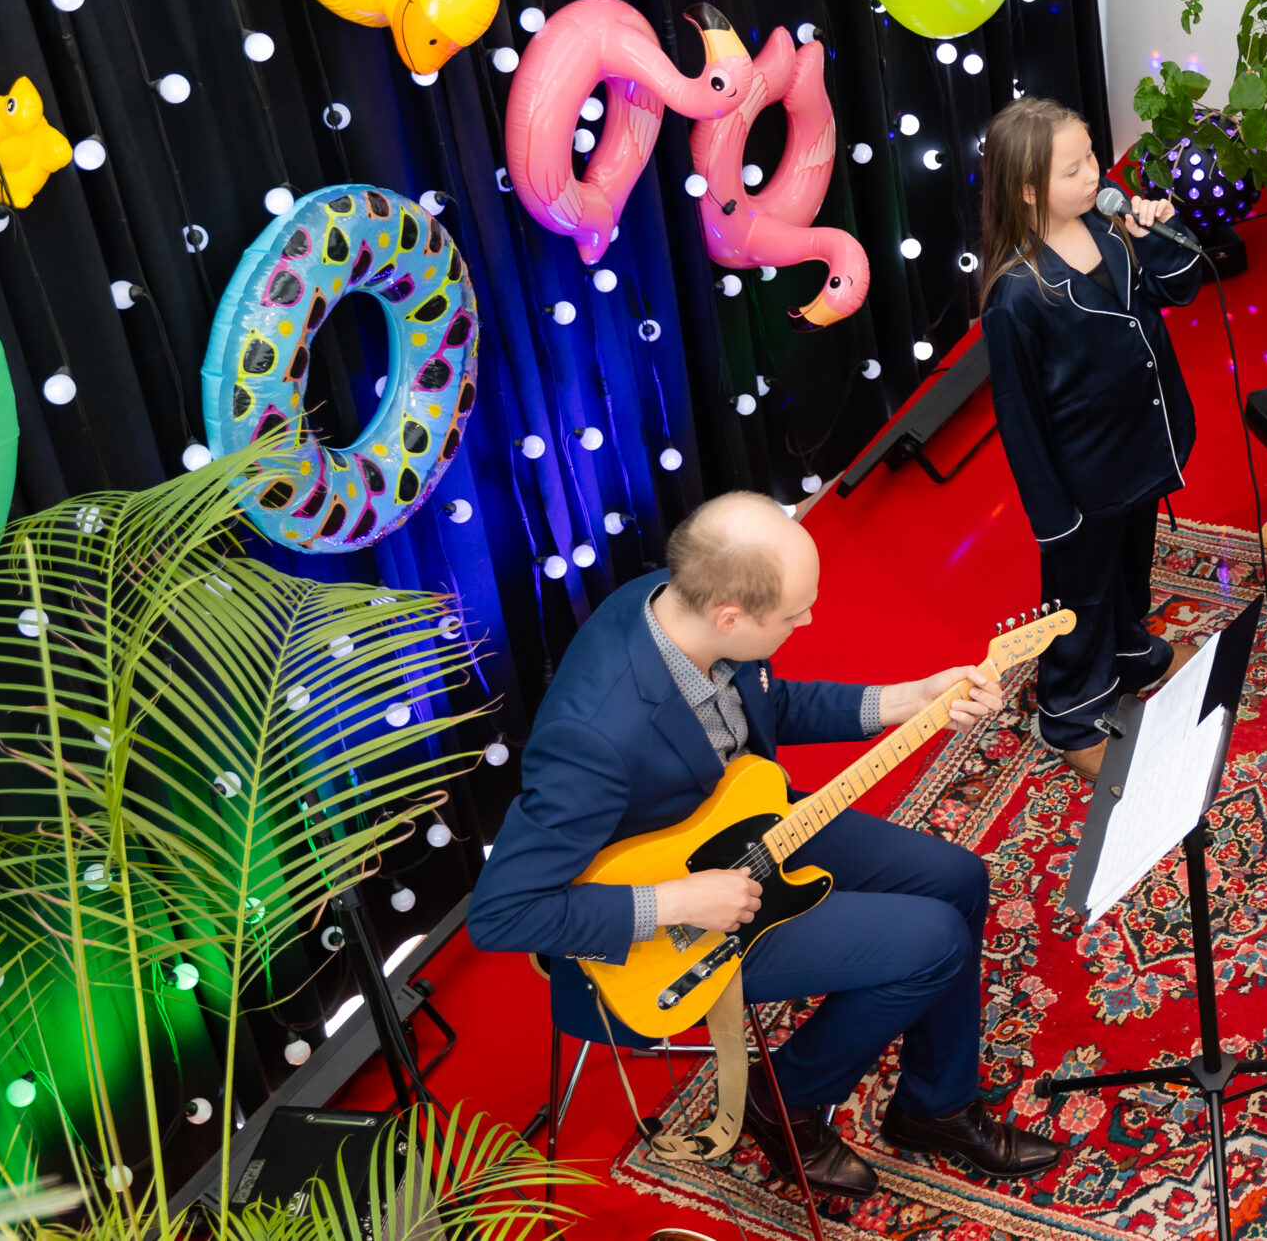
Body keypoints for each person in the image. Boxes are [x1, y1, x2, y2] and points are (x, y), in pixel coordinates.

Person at [467, 493, 1060, 1199]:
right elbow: (501, 914)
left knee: (958, 877)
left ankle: (935, 1106)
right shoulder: (592, 738)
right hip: (678, 922)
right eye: (793, 614)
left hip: (744, 819)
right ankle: (783, 1100)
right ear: (730, 617)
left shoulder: (680, 603)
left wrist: (910, 698)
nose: (808, 621)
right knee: (936, 941)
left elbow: (763, 706)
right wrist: (677, 900)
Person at [979, 97, 1203, 780]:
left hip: (1143, 443)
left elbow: (1181, 290)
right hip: (1083, 476)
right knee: (1081, 595)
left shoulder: (1109, 227)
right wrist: (1054, 516)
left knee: (1132, 564)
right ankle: (1070, 711)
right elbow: (1018, 416)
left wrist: (1161, 230)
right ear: (1027, 190)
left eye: (1092, 159)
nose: (1094, 175)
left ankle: (1131, 652)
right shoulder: (1016, 294)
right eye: (1072, 169)